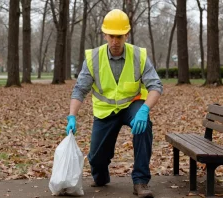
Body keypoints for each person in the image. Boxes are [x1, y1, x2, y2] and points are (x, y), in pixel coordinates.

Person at [65, 9, 163, 198]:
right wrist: (72, 115)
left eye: (119, 36)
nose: (115, 41)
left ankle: (140, 181)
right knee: (97, 158)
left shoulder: (138, 55)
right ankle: (101, 175)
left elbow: (155, 86)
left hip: (132, 106)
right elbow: (80, 89)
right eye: (111, 36)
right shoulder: (94, 57)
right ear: (105, 35)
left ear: (127, 34)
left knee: (144, 126)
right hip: (105, 111)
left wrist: (144, 110)